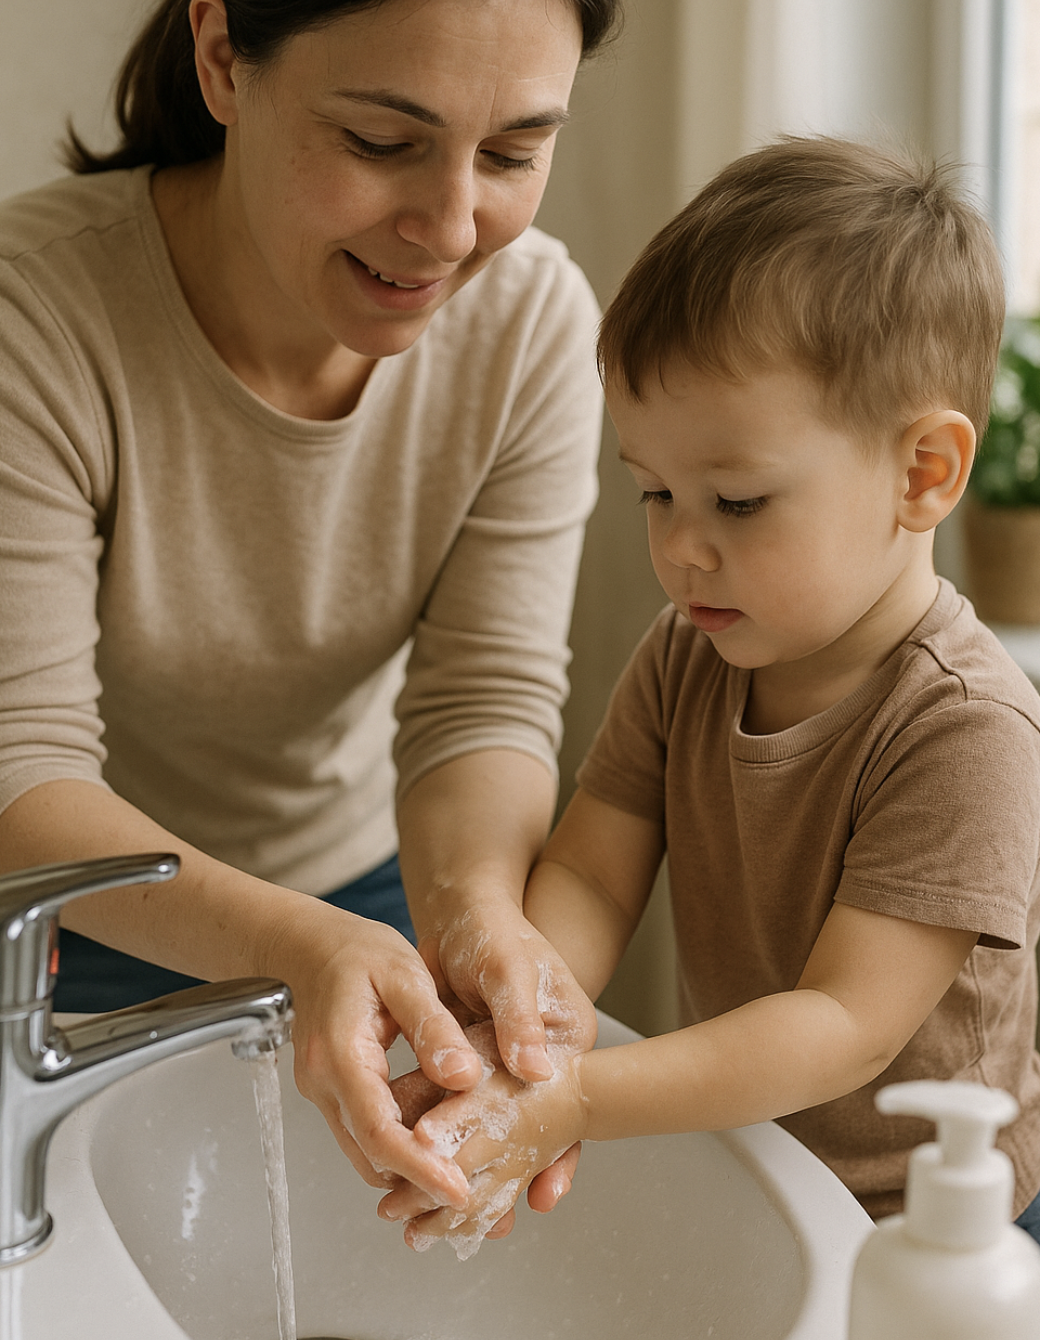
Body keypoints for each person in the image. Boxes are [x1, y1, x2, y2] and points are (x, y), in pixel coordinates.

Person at [0, 0, 619, 1213]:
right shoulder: (26, 321)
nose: (448, 227)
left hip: (372, 895)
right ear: (224, 59)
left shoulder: (531, 328)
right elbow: (16, 779)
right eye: (383, 142)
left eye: (513, 152)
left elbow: (483, 702)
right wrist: (291, 944)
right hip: (53, 920)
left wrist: (481, 923)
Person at [380, 136, 1040, 1254]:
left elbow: (844, 1024)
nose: (681, 549)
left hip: (929, 1223)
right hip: (763, 1170)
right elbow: (593, 871)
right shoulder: (690, 652)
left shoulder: (965, 729)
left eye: (736, 503)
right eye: (654, 492)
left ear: (922, 474)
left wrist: (575, 1099)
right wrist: (526, 1036)